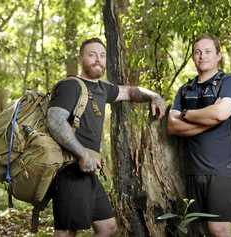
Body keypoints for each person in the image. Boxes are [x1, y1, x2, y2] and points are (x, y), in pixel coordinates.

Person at [47, 37, 166, 237]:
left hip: (88, 171)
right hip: (68, 169)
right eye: (92, 55)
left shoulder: (102, 89)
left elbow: (129, 92)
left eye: (102, 55)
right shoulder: (71, 85)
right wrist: (82, 153)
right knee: (66, 233)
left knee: (108, 227)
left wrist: (155, 96)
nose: (98, 60)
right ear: (80, 58)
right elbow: (55, 121)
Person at [167, 34, 231, 237]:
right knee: (197, 229)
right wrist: (209, 121)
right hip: (193, 169)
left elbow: (221, 113)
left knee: (219, 229)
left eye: (208, 51)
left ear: (218, 55)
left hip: (223, 168)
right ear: (192, 56)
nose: (202, 56)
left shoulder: (229, 82)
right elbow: (172, 126)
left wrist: (187, 115)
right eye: (197, 52)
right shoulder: (185, 90)